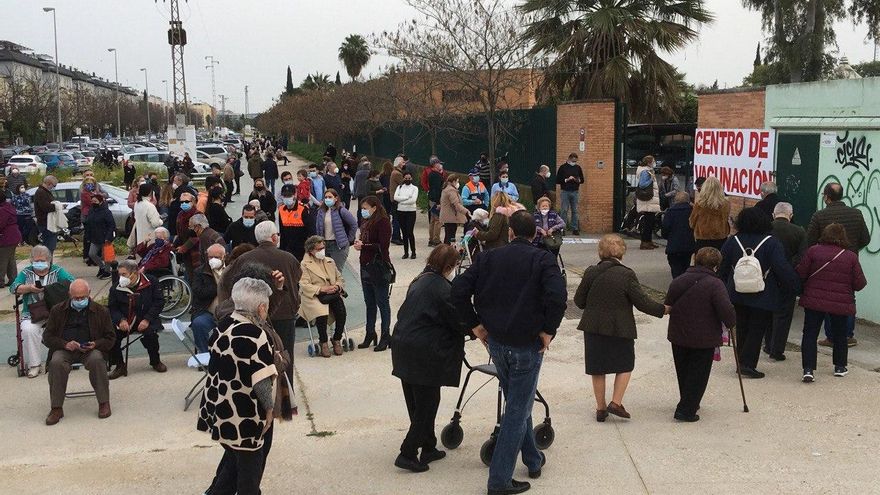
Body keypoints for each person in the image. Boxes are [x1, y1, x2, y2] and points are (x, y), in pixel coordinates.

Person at [451, 211, 567, 495]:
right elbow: (558, 296)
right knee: (517, 408)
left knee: (519, 400)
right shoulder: (543, 260)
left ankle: (533, 458)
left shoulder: (489, 257)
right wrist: (549, 330)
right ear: (535, 234)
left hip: (497, 343)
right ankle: (499, 479)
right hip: (525, 344)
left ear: (511, 233)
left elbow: (457, 290)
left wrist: (475, 325)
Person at [198, 277, 278, 495]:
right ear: (261, 307)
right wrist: (269, 410)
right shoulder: (256, 335)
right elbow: (261, 382)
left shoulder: (223, 325)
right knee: (249, 476)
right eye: (267, 305)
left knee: (233, 463)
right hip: (244, 416)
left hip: (218, 408)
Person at [575, 234, 667, 422]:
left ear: (601, 252)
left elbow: (579, 301)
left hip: (593, 326)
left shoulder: (591, 272)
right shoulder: (626, 274)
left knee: (597, 367)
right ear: (622, 252)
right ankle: (616, 402)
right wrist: (663, 309)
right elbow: (642, 302)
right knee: (625, 364)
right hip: (620, 327)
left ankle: (601, 408)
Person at [391, 244, 467, 472]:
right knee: (427, 406)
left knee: (417, 402)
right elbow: (457, 320)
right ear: (450, 266)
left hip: (404, 346)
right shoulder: (443, 289)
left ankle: (429, 446)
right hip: (424, 353)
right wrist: (477, 329)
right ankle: (407, 452)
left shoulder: (420, 279)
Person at [718, 207, 800, 379]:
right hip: (763, 292)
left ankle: (741, 361)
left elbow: (722, 267)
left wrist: (723, 287)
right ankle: (748, 363)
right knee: (757, 328)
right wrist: (794, 286)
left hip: (737, 291)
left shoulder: (733, 241)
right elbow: (781, 268)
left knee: (741, 326)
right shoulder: (771, 242)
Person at [220, 221, 301, 384]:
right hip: (285, 313)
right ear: (273, 237)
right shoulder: (288, 258)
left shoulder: (243, 259)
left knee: (259, 357)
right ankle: (286, 396)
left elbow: (227, 281)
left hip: (253, 315)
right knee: (284, 356)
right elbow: (298, 277)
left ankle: (264, 393)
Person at [664, 248, 736, 422]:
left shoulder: (679, 280)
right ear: (716, 266)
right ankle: (686, 409)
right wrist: (731, 322)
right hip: (704, 337)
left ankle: (688, 401)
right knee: (698, 373)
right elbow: (726, 311)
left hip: (678, 334)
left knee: (684, 370)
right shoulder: (716, 284)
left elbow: (668, 303)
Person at [796, 224, 867, 382]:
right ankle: (840, 367)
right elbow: (860, 284)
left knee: (809, 333)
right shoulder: (850, 257)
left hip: (814, 300)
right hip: (840, 303)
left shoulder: (813, 251)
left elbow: (801, 273)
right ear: (843, 237)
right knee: (840, 334)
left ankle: (808, 369)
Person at [42, 279, 116, 425]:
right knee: (56, 363)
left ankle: (104, 402)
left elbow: (110, 338)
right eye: (76, 298)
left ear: (89, 294)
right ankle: (56, 407)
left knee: (97, 360)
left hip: (90, 350)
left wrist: (96, 344)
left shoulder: (101, 311)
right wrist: (65, 344)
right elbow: (47, 337)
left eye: (83, 297)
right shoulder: (57, 310)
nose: (80, 300)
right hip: (65, 349)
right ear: (69, 295)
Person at [806, 182, 870, 347]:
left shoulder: (819, 216)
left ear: (827, 197)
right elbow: (865, 239)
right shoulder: (856, 214)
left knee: (828, 297)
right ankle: (847, 335)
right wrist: (852, 249)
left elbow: (810, 241)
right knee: (848, 297)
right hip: (849, 262)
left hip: (825, 264)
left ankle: (832, 337)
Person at [10, 245, 75, 378]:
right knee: (28, 329)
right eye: (36, 260)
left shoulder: (58, 271)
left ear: (49, 260)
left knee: (68, 324)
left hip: (56, 311)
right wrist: (29, 288)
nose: (39, 263)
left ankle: (66, 358)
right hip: (33, 312)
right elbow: (13, 288)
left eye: (42, 260)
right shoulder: (26, 272)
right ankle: (35, 365)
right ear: (31, 260)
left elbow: (73, 283)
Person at [107, 259, 167, 379]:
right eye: (119, 274)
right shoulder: (116, 288)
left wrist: (147, 319)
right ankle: (119, 365)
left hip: (146, 317)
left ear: (135, 273)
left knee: (151, 334)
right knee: (111, 335)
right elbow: (113, 308)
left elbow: (159, 302)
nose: (121, 277)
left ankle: (155, 361)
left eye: (124, 274)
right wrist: (121, 320)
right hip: (126, 320)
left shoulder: (151, 282)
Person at [764, 202, 805, 361]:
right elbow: (802, 256)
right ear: (791, 215)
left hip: (766, 276)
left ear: (774, 215)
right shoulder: (799, 232)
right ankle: (777, 349)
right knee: (784, 315)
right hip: (788, 277)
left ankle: (767, 344)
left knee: (767, 312)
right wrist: (788, 268)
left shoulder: (766, 229)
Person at [353, 196, 393, 351]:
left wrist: (365, 245)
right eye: (362, 208)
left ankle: (385, 335)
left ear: (375, 207)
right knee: (369, 302)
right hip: (365, 266)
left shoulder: (383, 222)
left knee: (382, 302)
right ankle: (370, 332)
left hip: (378, 266)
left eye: (366, 208)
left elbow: (383, 245)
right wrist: (360, 244)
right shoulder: (366, 222)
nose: (363, 211)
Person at [299, 236, 347, 358]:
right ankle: (323, 341)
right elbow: (304, 284)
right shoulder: (304, 264)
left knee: (341, 312)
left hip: (332, 293)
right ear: (311, 250)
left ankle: (336, 339)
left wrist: (337, 286)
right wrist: (321, 289)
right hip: (314, 295)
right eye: (319, 249)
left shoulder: (330, 261)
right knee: (321, 313)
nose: (322, 251)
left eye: (323, 248)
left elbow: (340, 278)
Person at [190, 243, 226, 354]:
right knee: (198, 324)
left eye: (217, 257)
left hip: (228, 312)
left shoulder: (231, 270)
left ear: (224, 257)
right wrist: (219, 286)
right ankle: (204, 355)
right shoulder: (200, 272)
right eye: (210, 257)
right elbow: (199, 292)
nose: (213, 259)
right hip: (207, 312)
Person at [315, 188, 358, 268]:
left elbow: (354, 224)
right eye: (326, 197)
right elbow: (318, 227)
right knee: (326, 271)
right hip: (324, 245)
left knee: (336, 272)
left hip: (338, 245)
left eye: (330, 197)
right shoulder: (321, 211)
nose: (327, 199)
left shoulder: (341, 210)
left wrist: (348, 240)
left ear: (336, 198)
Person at [689, 176, 731, 251]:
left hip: (703, 239)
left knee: (702, 261)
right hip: (721, 238)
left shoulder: (700, 204)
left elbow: (692, 222)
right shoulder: (726, 204)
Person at [661, 192, 696, 278]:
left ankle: (677, 285)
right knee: (686, 266)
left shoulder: (670, 212)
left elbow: (665, 230)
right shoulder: (692, 211)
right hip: (688, 245)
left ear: (675, 201)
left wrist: (668, 237)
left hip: (674, 246)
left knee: (675, 269)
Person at [83, 194, 115, 280]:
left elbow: (111, 225)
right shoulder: (91, 211)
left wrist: (108, 237)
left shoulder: (106, 212)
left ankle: (108, 271)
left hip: (105, 237)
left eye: (95, 201)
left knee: (107, 256)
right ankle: (102, 267)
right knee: (92, 254)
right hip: (95, 237)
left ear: (101, 202)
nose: (93, 203)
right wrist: (88, 236)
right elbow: (88, 224)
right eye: (92, 201)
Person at [278, 184, 313, 261]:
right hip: (287, 249)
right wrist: (281, 250)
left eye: (289, 195)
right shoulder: (281, 210)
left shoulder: (303, 209)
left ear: (295, 195)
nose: (287, 198)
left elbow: (310, 230)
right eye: (285, 196)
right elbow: (282, 232)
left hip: (301, 249)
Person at [556, 152, 585, 235]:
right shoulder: (563, 167)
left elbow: (582, 180)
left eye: (575, 161)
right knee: (564, 210)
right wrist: (567, 179)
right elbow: (557, 180)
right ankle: (562, 228)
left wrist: (576, 180)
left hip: (575, 191)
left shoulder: (578, 168)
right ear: (569, 159)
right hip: (565, 191)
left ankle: (575, 228)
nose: (574, 163)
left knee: (575, 210)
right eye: (573, 161)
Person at [635, 155, 661, 250]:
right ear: (649, 162)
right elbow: (642, 184)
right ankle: (645, 242)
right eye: (653, 161)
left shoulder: (647, 171)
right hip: (648, 200)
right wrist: (651, 180)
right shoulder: (645, 172)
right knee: (648, 223)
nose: (654, 162)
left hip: (650, 201)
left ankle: (648, 241)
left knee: (650, 222)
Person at [394, 172, 419, 259]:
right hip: (401, 211)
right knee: (404, 232)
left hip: (411, 211)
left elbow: (413, 200)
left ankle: (413, 252)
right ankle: (406, 252)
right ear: (403, 178)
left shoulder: (415, 188)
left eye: (409, 178)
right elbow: (395, 198)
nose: (407, 180)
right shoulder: (399, 187)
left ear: (411, 179)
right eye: (406, 178)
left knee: (409, 232)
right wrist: (406, 198)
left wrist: (402, 201)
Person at [439, 174, 470, 245]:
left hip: (448, 216)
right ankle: (448, 253)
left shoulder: (446, 188)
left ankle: (445, 252)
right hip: (451, 217)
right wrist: (466, 211)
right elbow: (456, 204)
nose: (458, 183)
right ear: (453, 181)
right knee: (450, 237)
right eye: (457, 181)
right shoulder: (451, 190)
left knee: (448, 236)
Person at [0, 190, 22, 285]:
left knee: (2, 259)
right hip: (13, 235)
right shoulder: (8, 206)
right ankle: (13, 279)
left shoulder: (2, 210)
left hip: (6, 237)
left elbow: (1, 224)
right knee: (10, 259)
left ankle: (0, 281)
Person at [133, 182, 164, 246]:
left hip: (140, 238)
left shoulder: (137, 203)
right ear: (150, 193)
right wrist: (161, 221)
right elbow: (155, 223)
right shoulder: (149, 206)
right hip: (150, 239)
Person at [34, 175, 59, 253]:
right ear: (49, 183)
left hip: (49, 222)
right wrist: (57, 206)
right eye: (54, 185)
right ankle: (48, 264)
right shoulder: (41, 192)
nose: (53, 187)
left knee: (50, 246)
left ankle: (49, 263)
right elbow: (45, 207)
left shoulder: (45, 192)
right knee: (49, 247)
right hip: (46, 223)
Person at [426, 158, 445, 246]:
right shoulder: (437, 176)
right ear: (435, 165)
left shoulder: (431, 174)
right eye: (438, 164)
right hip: (436, 199)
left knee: (432, 220)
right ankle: (436, 240)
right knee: (438, 220)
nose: (440, 165)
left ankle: (431, 239)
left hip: (431, 198)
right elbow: (437, 189)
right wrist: (438, 202)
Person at [389, 160, 404, 244]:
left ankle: (396, 235)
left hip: (394, 198)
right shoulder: (397, 174)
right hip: (397, 199)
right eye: (403, 163)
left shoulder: (394, 172)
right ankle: (396, 236)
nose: (404, 164)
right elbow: (403, 184)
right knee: (397, 219)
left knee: (396, 218)